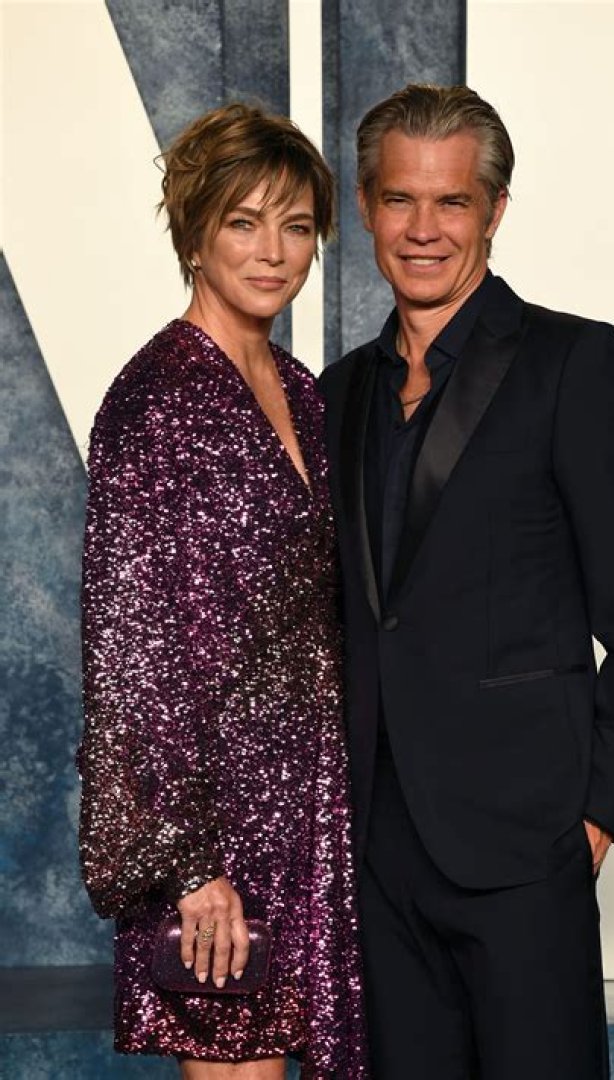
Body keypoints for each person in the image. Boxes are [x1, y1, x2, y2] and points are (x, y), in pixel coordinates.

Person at [318, 84, 614, 1080]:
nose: (423, 229)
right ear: (365, 207)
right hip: (376, 853)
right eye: (401, 199)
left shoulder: (577, 364)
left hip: (527, 845)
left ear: (495, 210)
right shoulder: (338, 393)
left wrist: (599, 815)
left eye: (453, 202)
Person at [77, 102, 367, 1079]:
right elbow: (131, 649)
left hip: (311, 806)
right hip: (212, 829)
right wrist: (189, 864)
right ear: (194, 232)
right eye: (244, 222)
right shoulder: (155, 398)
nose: (274, 251)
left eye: (297, 225)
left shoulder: (300, 386)